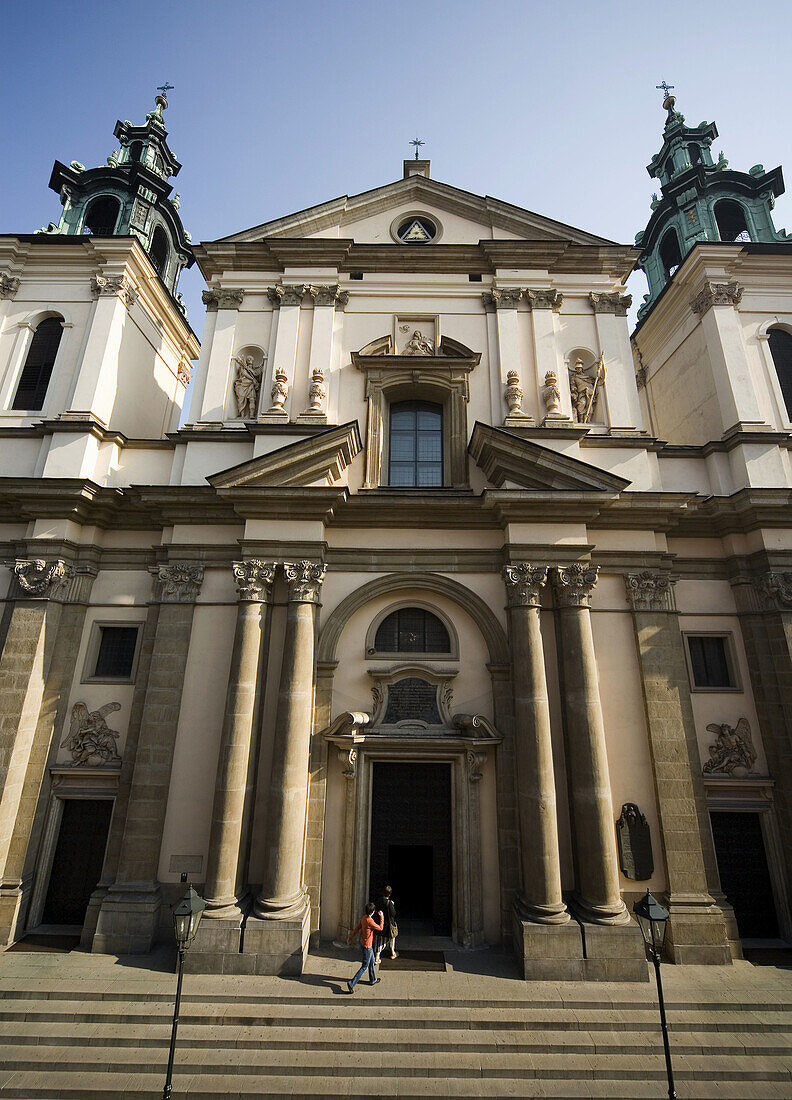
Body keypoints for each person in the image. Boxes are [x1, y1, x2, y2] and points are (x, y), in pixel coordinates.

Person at [346, 901, 384, 993]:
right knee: (364, 966)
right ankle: (352, 983)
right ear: (372, 912)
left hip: (364, 944)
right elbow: (380, 928)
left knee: (371, 963)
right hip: (368, 946)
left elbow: (357, 928)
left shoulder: (363, 918)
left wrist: (350, 938)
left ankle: (373, 979)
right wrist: (382, 917)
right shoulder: (370, 921)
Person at [374, 885, 397, 964]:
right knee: (391, 938)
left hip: (380, 923)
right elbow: (393, 914)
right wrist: (392, 905)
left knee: (379, 940)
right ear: (389, 894)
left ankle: (377, 957)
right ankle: (392, 953)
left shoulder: (378, 900)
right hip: (388, 925)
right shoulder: (389, 903)